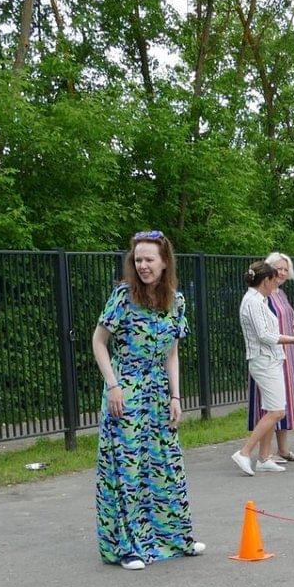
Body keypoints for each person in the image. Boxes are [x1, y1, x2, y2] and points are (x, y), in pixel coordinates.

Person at [90, 231, 201, 569]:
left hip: (157, 394)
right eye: (138, 260)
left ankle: (174, 539)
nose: (143, 265)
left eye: (149, 259)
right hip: (126, 393)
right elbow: (98, 342)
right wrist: (113, 386)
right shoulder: (123, 297)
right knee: (128, 468)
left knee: (165, 464)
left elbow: (172, 354)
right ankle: (129, 547)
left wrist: (176, 395)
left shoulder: (176, 301)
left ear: (164, 262)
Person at [232, 261, 294, 475]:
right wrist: (293, 339)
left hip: (271, 359)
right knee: (277, 411)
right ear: (265, 280)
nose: (276, 284)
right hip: (263, 360)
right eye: (274, 280)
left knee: (271, 408)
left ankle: (264, 458)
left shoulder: (259, 300)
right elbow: (264, 336)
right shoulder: (253, 302)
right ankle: (245, 452)